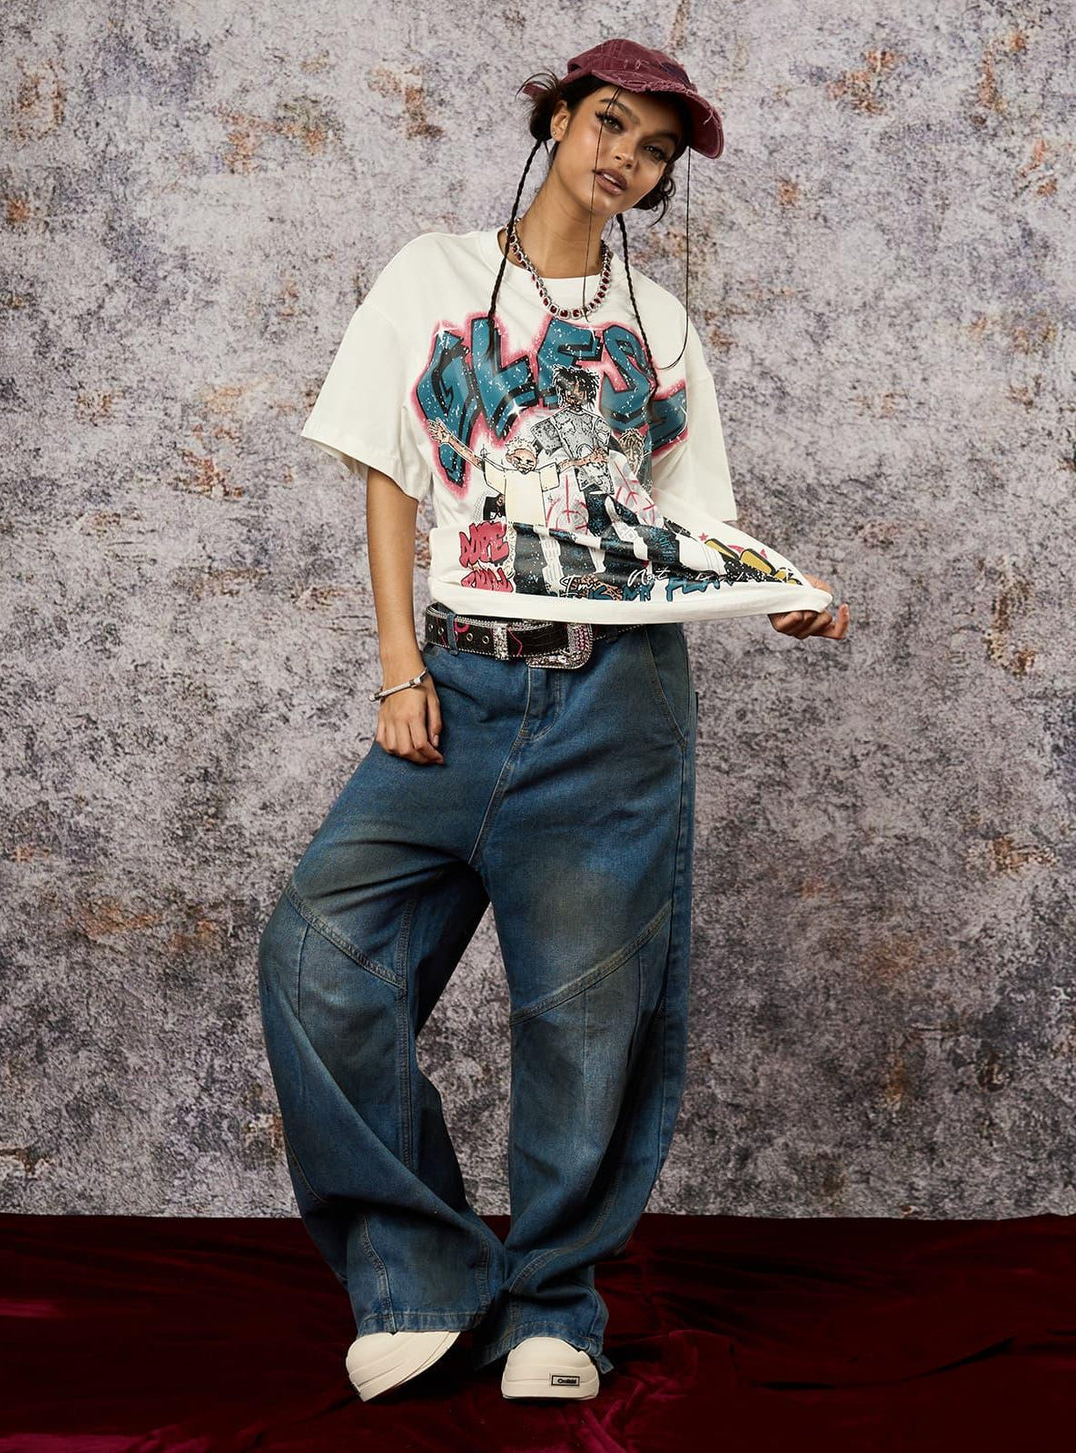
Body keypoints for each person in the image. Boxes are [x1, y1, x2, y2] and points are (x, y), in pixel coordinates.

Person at [257, 37, 850, 1406]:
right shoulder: (433, 276)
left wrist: (782, 592)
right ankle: (418, 1267)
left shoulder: (664, 328)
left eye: (649, 152)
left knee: (585, 1019)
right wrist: (399, 666)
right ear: (557, 118)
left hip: (616, 700)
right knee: (315, 954)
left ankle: (554, 1307)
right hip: (456, 679)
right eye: (607, 126)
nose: (623, 160)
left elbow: (683, 526)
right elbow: (390, 476)